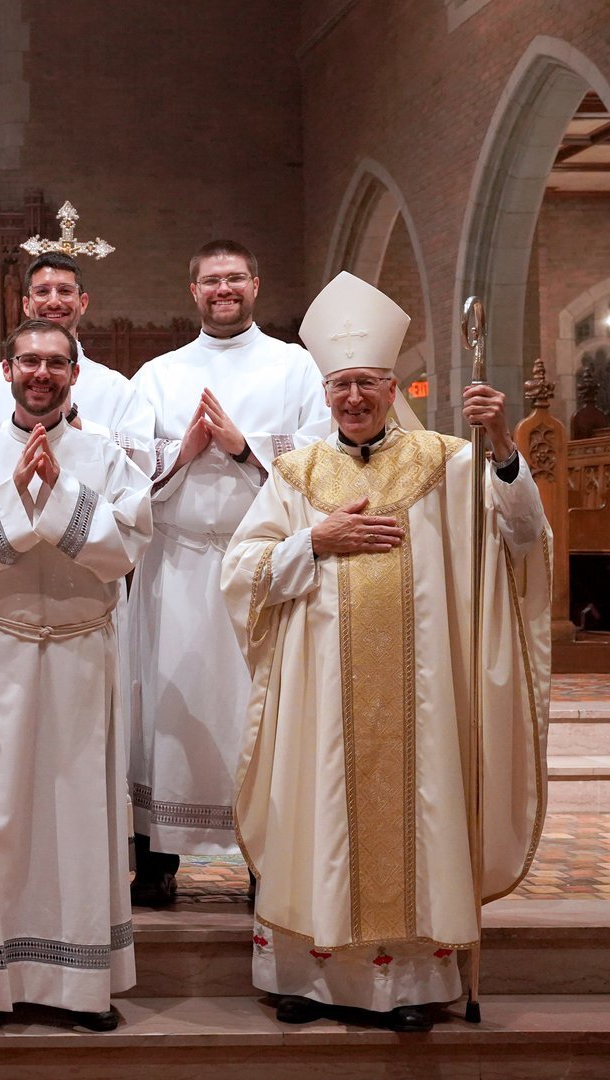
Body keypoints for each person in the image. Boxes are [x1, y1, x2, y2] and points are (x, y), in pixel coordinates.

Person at [222, 271, 550, 1032]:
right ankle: (305, 979)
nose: (353, 399)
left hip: (421, 699)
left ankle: (406, 987)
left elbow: (523, 537)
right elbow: (240, 572)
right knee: (316, 813)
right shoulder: (296, 474)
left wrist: (503, 445)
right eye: (340, 386)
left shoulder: (451, 462)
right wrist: (314, 538)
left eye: (367, 383)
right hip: (320, 699)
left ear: (392, 385)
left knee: (418, 815)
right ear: (325, 392)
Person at [0, 319, 151, 1033]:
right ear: (6, 369)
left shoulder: (109, 459)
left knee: (81, 816)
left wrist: (58, 495)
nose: (41, 373)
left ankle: (82, 982)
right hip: (3, 650)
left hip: (83, 653)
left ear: (74, 373)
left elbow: (123, 552)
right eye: (29, 360)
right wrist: (18, 499)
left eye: (56, 362)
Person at [127, 240, 328, 905]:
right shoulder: (157, 373)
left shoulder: (296, 366)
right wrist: (181, 451)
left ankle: (263, 858)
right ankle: (157, 858)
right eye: (211, 280)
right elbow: (125, 462)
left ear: (256, 284)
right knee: (166, 706)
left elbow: (320, 454)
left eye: (235, 279)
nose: (223, 289)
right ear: (193, 290)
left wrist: (243, 447)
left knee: (260, 711)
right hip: (178, 565)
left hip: (265, 565)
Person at [0, 252, 154, 462]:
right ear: (26, 304)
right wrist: (22, 425)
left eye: (64, 291)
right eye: (42, 292)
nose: (54, 302)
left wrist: (75, 423)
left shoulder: (116, 389)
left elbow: (143, 460)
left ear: (83, 303)